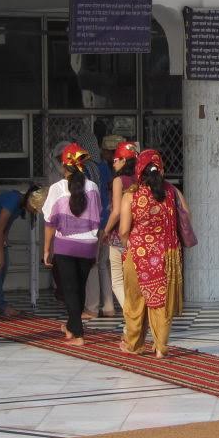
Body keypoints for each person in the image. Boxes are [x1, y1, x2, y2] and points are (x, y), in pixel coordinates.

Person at [118, 148, 186, 358]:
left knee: (135, 302)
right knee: (160, 303)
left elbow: (123, 231)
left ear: (139, 170)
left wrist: (130, 244)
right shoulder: (172, 192)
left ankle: (134, 345)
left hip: (137, 257)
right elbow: (186, 217)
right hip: (166, 255)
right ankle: (160, 348)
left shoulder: (131, 195)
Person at [43, 142, 102, 344]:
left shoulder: (57, 188)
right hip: (88, 246)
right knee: (80, 287)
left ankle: (78, 333)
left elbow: (50, 222)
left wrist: (46, 249)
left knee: (69, 288)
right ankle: (71, 327)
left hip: (65, 245)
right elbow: (98, 217)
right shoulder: (93, 187)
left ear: (63, 166)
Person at [0, 184, 45, 316]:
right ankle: (0, 305)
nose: (34, 211)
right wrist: (1, 254)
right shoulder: (12, 200)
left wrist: (5, 240)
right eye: (35, 208)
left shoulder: (20, 205)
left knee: (2, 266)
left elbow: (7, 224)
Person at [85, 133, 124, 318]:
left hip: (97, 221)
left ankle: (92, 307)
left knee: (95, 264)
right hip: (109, 219)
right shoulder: (106, 169)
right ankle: (108, 306)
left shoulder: (89, 168)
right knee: (104, 265)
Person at [100, 140, 140, 312]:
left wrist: (105, 231)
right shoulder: (139, 179)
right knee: (135, 279)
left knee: (117, 280)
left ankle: (132, 318)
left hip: (120, 234)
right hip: (138, 233)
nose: (113, 162)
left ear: (124, 160)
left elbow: (116, 212)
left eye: (116, 159)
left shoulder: (119, 181)